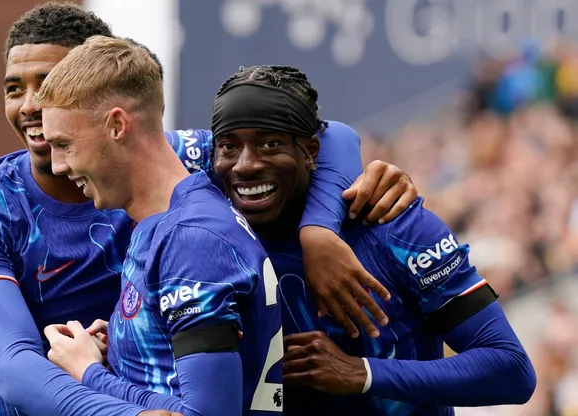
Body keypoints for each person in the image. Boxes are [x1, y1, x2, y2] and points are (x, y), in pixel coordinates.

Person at [0, 3, 417, 415]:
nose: (32, 106)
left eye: (51, 84)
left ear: (107, 99)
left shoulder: (180, 171)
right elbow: (15, 368)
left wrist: (319, 229)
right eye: (14, 88)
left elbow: (328, 137)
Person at [207, 65, 537, 415]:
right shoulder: (208, 243)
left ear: (311, 151)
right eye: (229, 146)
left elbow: (510, 369)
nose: (245, 165)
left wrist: (363, 373)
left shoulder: (396, 227)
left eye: (270, 144)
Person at [37, 34, 289, 416]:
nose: (57, 165)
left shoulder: (190, 238)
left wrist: (88, 372)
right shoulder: (166, 219)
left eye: (64, 144)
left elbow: (206, 414)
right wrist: (125, 342)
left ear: (117, 125)